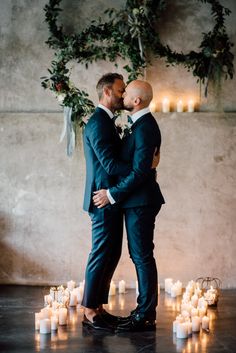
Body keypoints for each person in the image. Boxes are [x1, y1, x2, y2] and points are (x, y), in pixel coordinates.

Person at [93, 80, 165, 332]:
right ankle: (142, 311)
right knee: (140, 256)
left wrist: (111, 194)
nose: (122, 96)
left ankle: (146, 315)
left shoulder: (145, 127)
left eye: (126, 93)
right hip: (135, 202)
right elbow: (139, 167)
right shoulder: (138, 126)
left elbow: (140, 173)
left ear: (137, 101)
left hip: (141, 203)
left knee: (142, 257)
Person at [81, 73, 132, 331]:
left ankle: (98, 307)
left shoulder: (107, 122)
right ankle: (89, 311)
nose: (124, 95)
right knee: (101, 253)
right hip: (102, 199)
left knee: (112, 253)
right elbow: (109, 164)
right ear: (107, 92)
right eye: (121, 90)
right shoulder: (99, 123)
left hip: (109, 198)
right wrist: (140, 168)